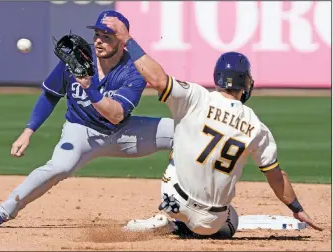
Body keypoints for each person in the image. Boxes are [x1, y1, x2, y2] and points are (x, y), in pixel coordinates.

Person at [103, 16, 323, 237]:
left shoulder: (196, 97)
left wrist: (127, 39)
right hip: (211, 221)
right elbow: (276, 176)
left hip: (174, 197)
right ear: (246, 84)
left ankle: (170, 219)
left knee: (180, 136)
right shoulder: (257, 127)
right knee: (232, 222)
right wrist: (297, 209)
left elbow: (158, 79)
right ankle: (181, 228)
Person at [0, 10, 174, 228]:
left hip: (123, 133)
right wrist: (28, 130)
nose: (99, 41)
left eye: (107, 36)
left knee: (182, 132)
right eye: (97, 34)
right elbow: (51, 94)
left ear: (121, 40)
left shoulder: (134, 70)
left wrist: (91, 89)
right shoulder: (78, 58)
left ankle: (186, 209)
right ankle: (2, 211)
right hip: (80, 131)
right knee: (58, 167)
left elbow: (116, 116)